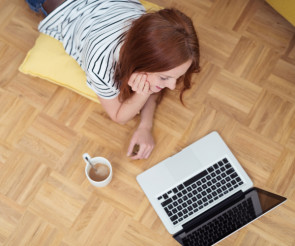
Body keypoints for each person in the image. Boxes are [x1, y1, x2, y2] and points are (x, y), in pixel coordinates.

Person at [26, 0, 201, 160]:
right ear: (143, 61)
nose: (171, 86)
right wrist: (142, 93)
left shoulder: (150, 27)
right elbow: (119, 116)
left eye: (175, 78)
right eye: (165, 78)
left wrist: (145, 126)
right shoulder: (101, 65)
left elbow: (155, 83)